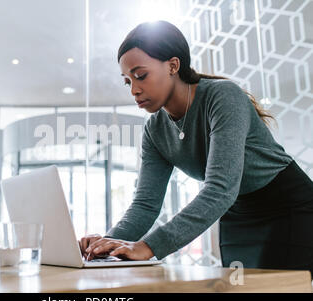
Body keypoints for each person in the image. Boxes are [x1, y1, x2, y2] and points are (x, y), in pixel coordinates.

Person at [78, 20, 313, 273]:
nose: (134, 90)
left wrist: (149, 246)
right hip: (237, 212)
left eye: (141, 76)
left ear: (173, 66)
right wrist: (104, 248)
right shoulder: (154, 129)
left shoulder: (223, 97)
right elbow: (145, 205)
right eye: (128, 82)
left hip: (289, 207)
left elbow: (220, 189)